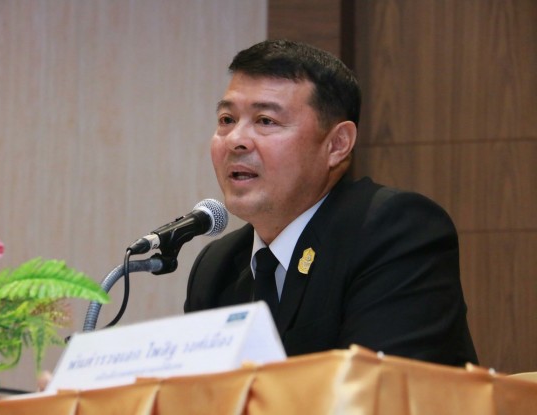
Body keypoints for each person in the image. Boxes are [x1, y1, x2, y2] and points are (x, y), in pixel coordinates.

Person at [184, 39, 478, 367]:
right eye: (227, 120)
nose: (236, 140)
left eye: (265, 121)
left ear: (337, 144)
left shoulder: (395, 231)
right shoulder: (218, 267)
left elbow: (374, 386)